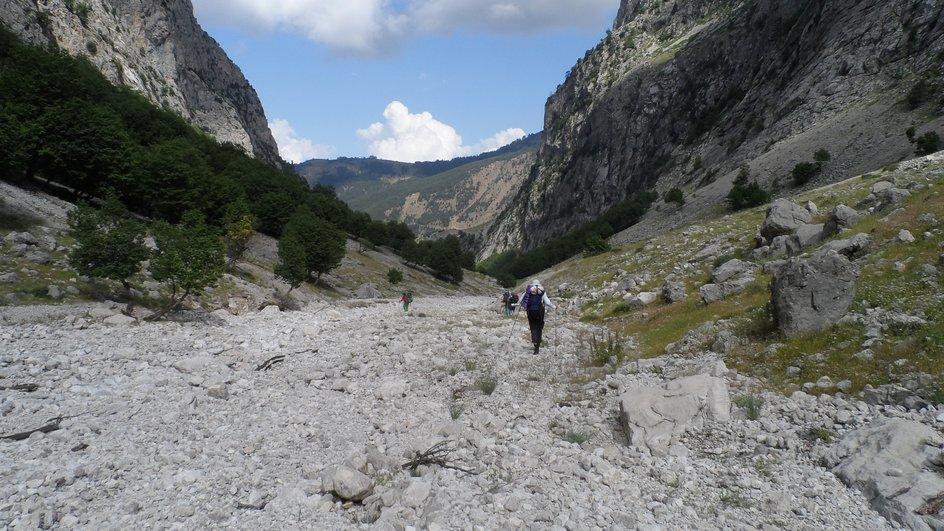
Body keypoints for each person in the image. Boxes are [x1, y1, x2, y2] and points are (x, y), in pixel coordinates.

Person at [519, 279, 555, 354]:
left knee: (533, 327)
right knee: (539, 327)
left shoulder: (528, 290)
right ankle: (537, 346)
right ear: (539, 284)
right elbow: (547, 302)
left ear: (532, 284)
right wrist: (554, 307)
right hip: (540, 311)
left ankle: (534, 341)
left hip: (530, 311)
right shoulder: (542, 290)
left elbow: (520, 300)